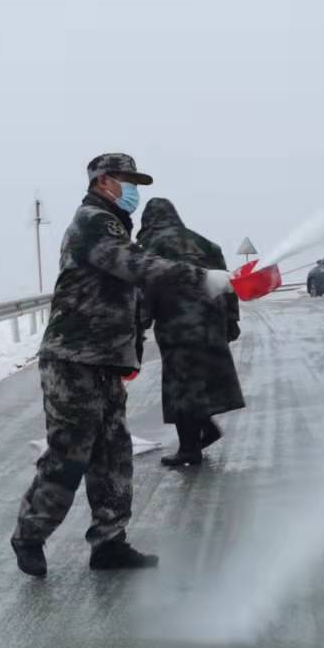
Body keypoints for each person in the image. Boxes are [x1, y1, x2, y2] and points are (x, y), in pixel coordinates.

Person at [11, 154, 229, 578]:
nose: (133, 190)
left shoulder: (113, 223)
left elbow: (128, 296)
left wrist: (131, 348)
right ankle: (29, 535)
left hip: (104, 360)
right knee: (70, 452)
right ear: (103, 181)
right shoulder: (94, 221)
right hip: (73, 358)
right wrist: (201, 277)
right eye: (127, 181)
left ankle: (109, 543)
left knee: (113, 453)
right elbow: (137, 267)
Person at [137, 198, 245, 467]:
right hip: (212, 322)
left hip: (177, 326)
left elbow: (146, 286)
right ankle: (204, 430)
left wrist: (140, 322)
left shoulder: (154, 245)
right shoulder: (206, 244)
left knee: (181, 386)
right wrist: (232, 320)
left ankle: (189, 448)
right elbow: (226, 282)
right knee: (203, 381)